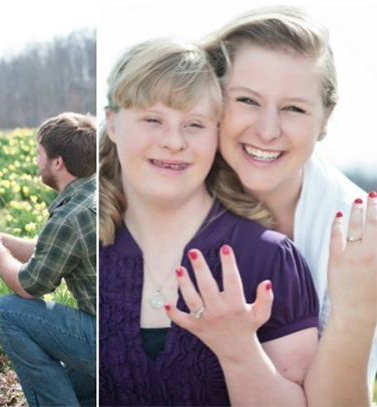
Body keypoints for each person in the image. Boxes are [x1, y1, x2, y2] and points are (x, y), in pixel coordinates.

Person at [98, 38, 322, 406]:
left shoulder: (267, 259)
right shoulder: (95, 249)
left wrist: (240, 352)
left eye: (195, 124)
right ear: (112, 124)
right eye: (153, 119)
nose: (173, 141)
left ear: (217, 133)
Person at [202, 7, 377, 405]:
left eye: (294, 108)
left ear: (326, 117)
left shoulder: (359, 234)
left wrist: (354, 316)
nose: (267, 130)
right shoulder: (167, 176)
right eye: (247, 100)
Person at [0, 112, 97, 407]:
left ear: (58, 162)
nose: (37, 161)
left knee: (8, 310)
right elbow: (46, 249)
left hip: (106, 341)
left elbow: (28, 286)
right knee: (75, 391)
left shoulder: (71, 217)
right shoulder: (97, 195)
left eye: (40, 154)